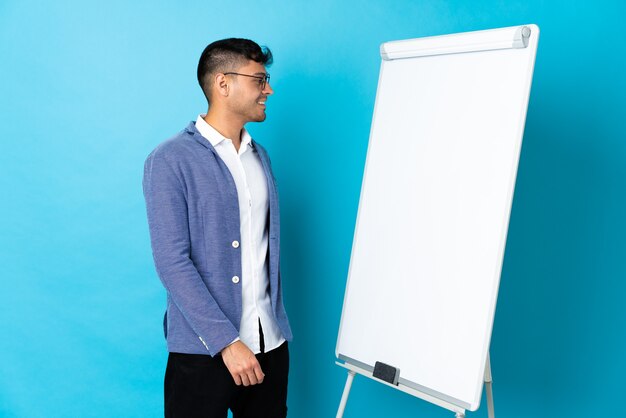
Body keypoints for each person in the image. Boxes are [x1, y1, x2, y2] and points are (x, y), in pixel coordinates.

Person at [143, 38, 292, 418]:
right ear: (223, 84)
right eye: (260, 80)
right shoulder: (169, 160)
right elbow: (172, 263)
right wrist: (228, 342)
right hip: (202, 351)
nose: (268, 89)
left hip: (270, 344)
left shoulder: (261, 158)